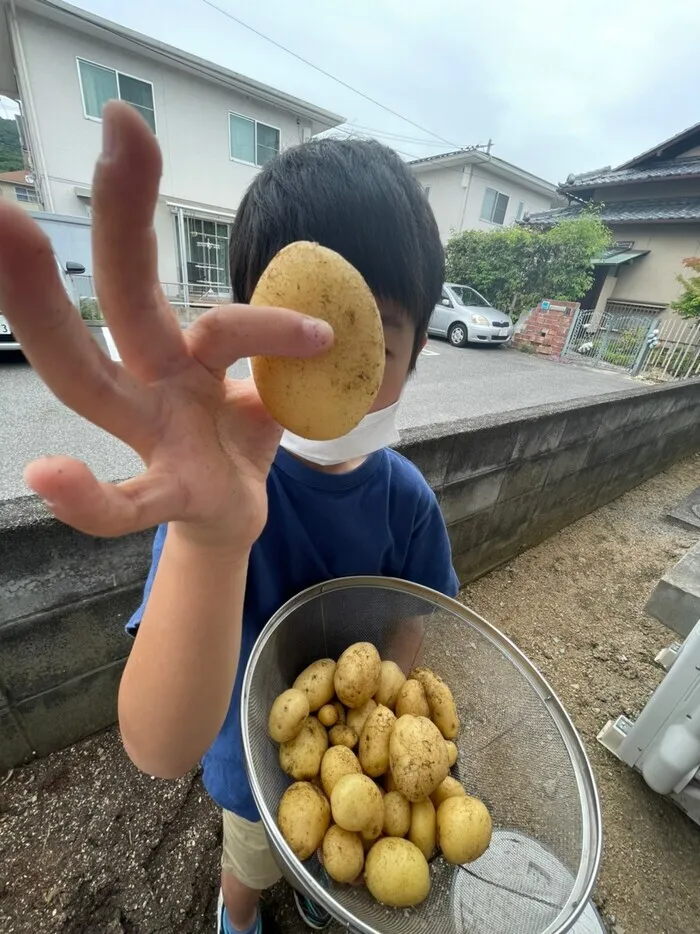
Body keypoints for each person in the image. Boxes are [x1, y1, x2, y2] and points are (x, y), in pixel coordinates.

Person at [0, 101, 458, 934]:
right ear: (250, 332)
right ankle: (235, 916)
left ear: (419, 354)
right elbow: (156, 746)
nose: (334, 368)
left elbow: (408, 630)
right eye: (302, 337)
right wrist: (212, 539)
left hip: (358, 775)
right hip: (250, 775)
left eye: (374, 340)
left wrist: (395, 743)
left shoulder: (410, 502)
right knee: (247, 861)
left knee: (342, 876)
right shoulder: (218, 492)